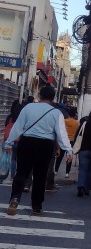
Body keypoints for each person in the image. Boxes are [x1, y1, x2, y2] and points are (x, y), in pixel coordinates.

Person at [5, 86, 73, 216]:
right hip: (45, 145)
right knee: (40, 176)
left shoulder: (28, 108)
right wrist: (68, 151)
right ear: (53, 98)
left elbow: (18, 127)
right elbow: (61, 134)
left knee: (21, 173)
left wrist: (9, 142)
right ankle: (36, 206)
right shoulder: (56, 113)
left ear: (40, 96)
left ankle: (14, 199)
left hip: (27, 142)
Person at [55, 107, 79, 178]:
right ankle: (67, 173)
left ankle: (56, 170)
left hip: (63, 140)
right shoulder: (77, 123)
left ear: (68, 114)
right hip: (71, 142)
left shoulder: (64, 121)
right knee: (69, 157)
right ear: (74, 115)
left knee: (59, 157)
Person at [2, 100, 23, 182]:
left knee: (10, 158)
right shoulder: (22, 119)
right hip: (19, 140)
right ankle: (17, 176)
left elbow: (5, 126)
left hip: (8, 139)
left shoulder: (10, 117)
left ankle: (9, 175)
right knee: (19, 159)